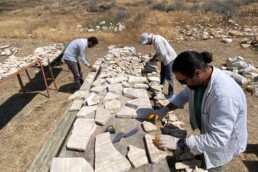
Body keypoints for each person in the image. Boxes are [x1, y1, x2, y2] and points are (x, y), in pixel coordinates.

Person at [151, 51, 247, 171]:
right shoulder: (200, 80)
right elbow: (184, 94)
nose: (183, 85)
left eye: (183, 81)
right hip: (211, 134)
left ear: (197, 73)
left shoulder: (223, 96)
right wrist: (165, 109)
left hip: (223, 145)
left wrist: (180, 143)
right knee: (201, 152)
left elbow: (218, 138)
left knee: (213, 167)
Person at [140, 33, 177, 99]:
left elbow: (163, 54)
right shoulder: (154, 40)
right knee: (162, 73)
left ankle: (171, 94)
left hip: (169, 58)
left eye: (146, 43)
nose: (147, 44)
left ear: (148, 39)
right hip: (165, 58)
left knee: (169, 76)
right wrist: (153, 58)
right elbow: (159, 52)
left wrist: (156, 60)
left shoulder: (157, 41)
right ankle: (161, 86)